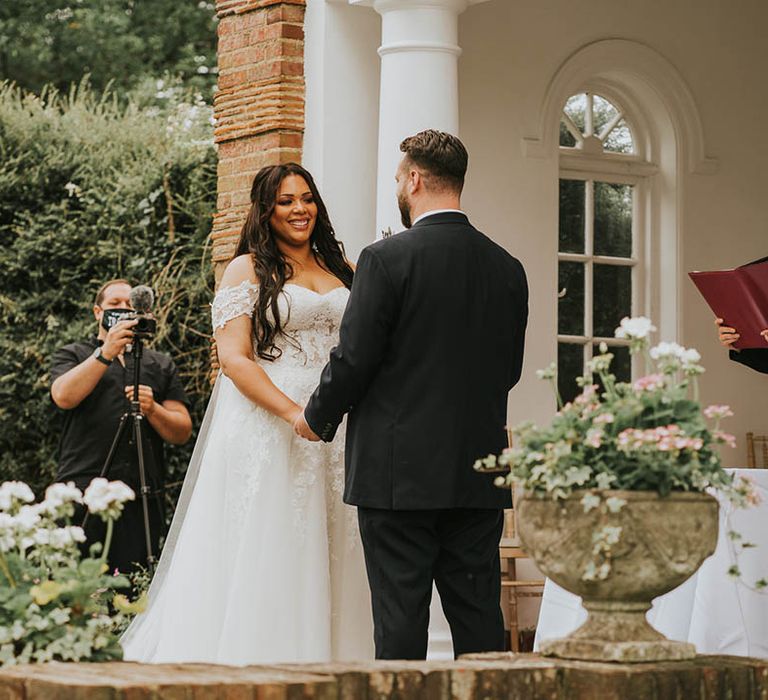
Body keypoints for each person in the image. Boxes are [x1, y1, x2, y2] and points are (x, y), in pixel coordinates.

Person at [120, 163, 374, 664]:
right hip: (275, 422)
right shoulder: (247, 270)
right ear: (265, 210)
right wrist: (294, 413)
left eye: (306, 198)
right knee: (277, 540)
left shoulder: (341, 267)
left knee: (339, 542)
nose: (299, 209)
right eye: (285, 202)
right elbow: (234, 358)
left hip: (340, 424)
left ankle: (343, 662)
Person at [295, 129, 529, 660]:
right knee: (479, 624)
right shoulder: (507, 267)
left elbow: (354, 358)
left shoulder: (384, 260)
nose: (399, 188)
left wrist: (317, 416)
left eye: (399, 179)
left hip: (398, 476)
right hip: (478, 472)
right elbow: (508, 371)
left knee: (400, 624)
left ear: (415, 179)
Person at [50, 279, 192, 575]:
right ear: (97, 311)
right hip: (83, 487)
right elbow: (63, 396)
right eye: (115, 304)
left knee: (135, 587)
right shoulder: (74, 353)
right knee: (77, 584)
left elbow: (181, 432)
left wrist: (153, 409)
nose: (124, 309)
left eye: (130, 305)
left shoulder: (160, 364)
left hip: (140, 493)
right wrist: (106, 352)